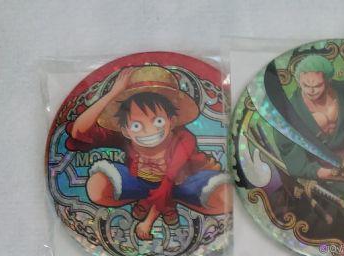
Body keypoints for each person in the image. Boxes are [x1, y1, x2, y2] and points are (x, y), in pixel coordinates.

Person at [67, 64, 229, 241]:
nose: (149, 131)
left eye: (158, 121)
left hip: (181, 184)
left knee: (225, 197)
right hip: (142, 184)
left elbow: (168, 182)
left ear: (172, 121)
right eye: (137, 125)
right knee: (96, 186)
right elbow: (78, 132)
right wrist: (113, 93)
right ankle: (151, 200)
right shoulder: (125, 138)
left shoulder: (184, 140)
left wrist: (147, 222)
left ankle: (165, 202)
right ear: (125, 130)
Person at [261, 52, 344, 238]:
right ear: (298, 81)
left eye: (317, 85)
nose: (311, 91)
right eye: (306, 85)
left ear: (327, 80)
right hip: (323, 170)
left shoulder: (343, 90)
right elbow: (298, 164)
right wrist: (340, 174)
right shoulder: (288, 115)